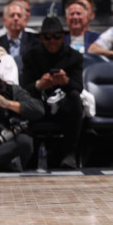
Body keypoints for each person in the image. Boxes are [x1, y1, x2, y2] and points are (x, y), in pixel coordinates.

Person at [21, 17, 83, 169]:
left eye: (57, 36)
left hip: (64, 104)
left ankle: (70, 154)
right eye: (47, 37)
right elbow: (24, 89)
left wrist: (65, 82)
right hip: (39, 102)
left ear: (63, 37)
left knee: (75, 99)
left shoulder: (74, 56)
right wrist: (39, 84)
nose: (52, 41)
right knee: (26, 102)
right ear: (41, 38)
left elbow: (79, 87)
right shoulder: (30, 56)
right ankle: (29, 154)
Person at [0, 0, 39, 77]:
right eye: (12, 15)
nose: (16, 18)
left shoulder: (35, 40)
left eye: (19, 15)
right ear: (4, 21)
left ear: (25, 20)